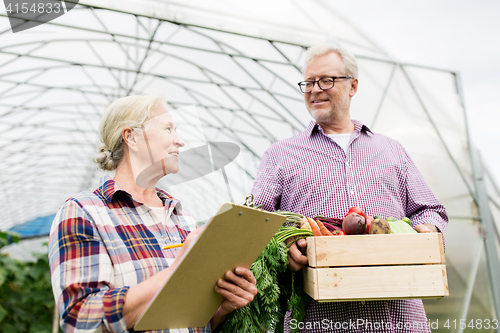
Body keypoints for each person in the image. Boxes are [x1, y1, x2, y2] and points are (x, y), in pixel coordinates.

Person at [251, 45, 448, 333]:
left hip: (399, 318)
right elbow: (256, 220)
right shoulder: (280, 155)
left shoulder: (391, 150)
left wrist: (420, 234)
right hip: (319, 321)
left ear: (353, 85)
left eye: (326, 80)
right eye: (308, 82)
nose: (314, 89)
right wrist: (284, 245)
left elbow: (429, 210)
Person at [48, 95, 257, 333]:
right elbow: (82, 319)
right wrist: (177, 271)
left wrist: (222, 308)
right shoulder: (84, 212)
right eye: (168, 129)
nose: (180, 141)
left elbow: (189, 322)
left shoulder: (181, 217)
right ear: (132, 137)